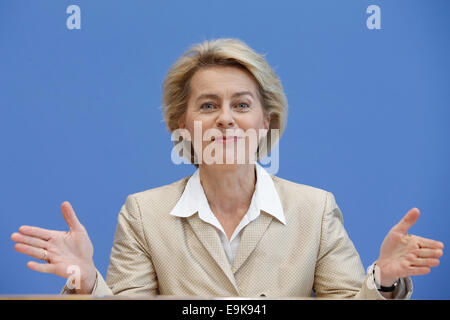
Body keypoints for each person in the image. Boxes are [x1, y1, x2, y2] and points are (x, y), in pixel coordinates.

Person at [11, 38, 444, 299]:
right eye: (207, 106)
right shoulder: (143, 213)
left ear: (265, 122)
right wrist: (85, 282)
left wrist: (384, 280)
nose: (226, 119)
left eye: (241, 105)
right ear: (181, 124)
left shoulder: (315, 209)